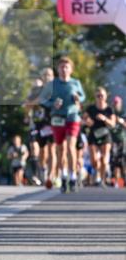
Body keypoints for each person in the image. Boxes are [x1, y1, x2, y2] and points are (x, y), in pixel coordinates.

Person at [40, 56, 85, 193]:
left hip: (72, 117)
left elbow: (83, 96)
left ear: (71, 69)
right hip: (57, 118)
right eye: (61, 67)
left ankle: (72, 177)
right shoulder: (52, 84)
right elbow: (43, 99)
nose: (64, 69)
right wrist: (52, 104)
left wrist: (78, 98)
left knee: (71, 147)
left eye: (66, 67)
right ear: (58, 69)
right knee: (60, 149)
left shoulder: (75, 83)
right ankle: (64, 175)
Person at [83, 88, 116, 187]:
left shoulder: (109, 109)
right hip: (93, 134)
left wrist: (105, 118)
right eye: (98, 96)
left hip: (105, 135)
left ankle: (102, 179)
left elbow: (113, 124)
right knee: (94, 160)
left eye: (102, 95)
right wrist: (88, 120)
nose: (100, 97)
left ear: (106, 96)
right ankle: (96, 173)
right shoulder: (91, 108)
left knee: (104, 158)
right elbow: (84, 117)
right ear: (95, 97)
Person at [109, 94, 125, 187]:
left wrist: (122, 122)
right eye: (115, 103)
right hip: (112, 139)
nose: (116, 105)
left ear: (120, 103)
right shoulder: (111, 112)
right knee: (114, 161)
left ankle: (123, 180)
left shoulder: (123, 112)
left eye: (117, 103)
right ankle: (115, 181)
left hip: (122, 139)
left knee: (122, 160)